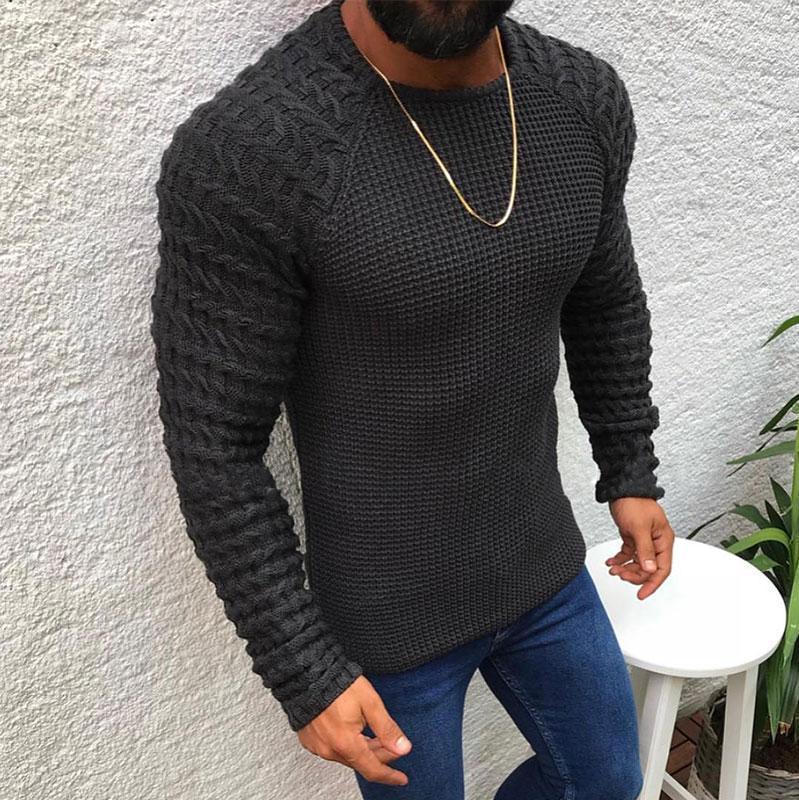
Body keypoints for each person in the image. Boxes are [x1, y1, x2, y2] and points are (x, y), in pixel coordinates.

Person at [149, 0, 676, 797]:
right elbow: (214, 444)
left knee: (605, 783)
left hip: (538, 558)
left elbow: (604, 300)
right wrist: (301, 666)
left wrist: (628, 465)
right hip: (386, 615)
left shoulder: (581, 99)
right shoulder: (253, 153)